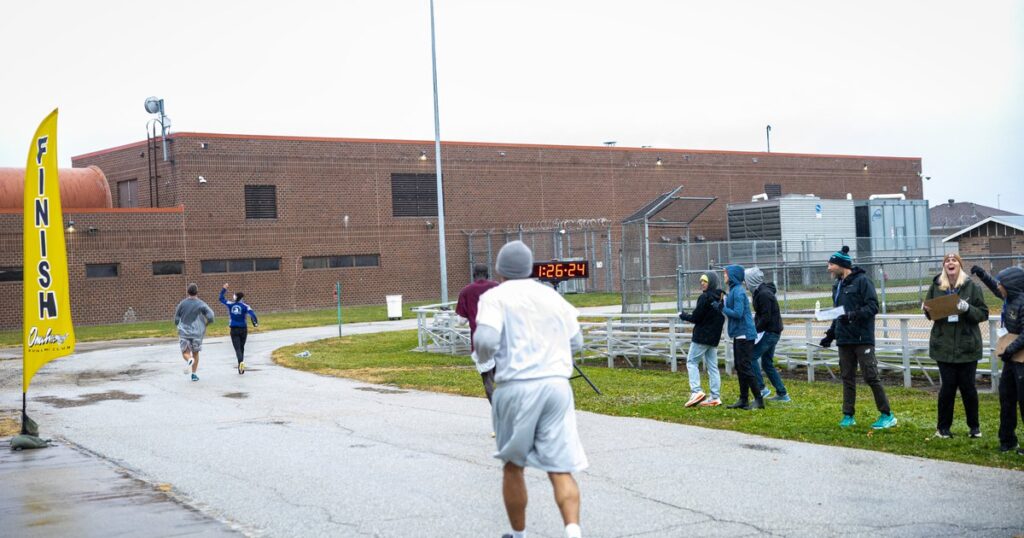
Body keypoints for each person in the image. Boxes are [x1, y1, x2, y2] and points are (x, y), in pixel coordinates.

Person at [474, 240, 587, 538]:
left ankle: (519, 535)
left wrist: (488, 361)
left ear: (500, 270)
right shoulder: (552, 297)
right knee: (560, 466)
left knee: (513, 465)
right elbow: (577, 342)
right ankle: (573, 532)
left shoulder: (495, 297)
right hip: (556, 386)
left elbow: (484, 341)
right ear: (530, 268)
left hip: (516, 386)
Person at [819, 246, 896, 429]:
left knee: (871, 376)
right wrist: (830, 335)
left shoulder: (862, 281)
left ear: (841, 265)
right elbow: (839, 313)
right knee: (847, 377)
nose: (828, 268)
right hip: (844, 339)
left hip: (862, 338)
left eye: (831, 264)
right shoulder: (838, 285)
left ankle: (887, 415)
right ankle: (848, 415)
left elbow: (872, 307)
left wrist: (852, 316)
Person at [922, 253, 988, 439]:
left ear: (960, 265)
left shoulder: (972, 287)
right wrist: (927, 311)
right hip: (943, 345)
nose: (950, 263)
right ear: (944, 266)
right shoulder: (936, 287)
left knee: (968, 388)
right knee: (947, 388)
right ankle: (943, 428)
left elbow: (983, 313)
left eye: (954, 261)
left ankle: (974, 428)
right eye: (947, 261)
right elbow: (930, 313)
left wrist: (967, 308)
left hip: (967, 346)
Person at [971, 264, 1024, 454]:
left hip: (1020, 358)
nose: (999, 286)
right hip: (1011, 359)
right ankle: (1007, 440)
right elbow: (995, 287)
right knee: (1006, 398)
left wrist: (1010, 349)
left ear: (1011, 285)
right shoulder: (1009, 297)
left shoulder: (1022, 302)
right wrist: (983, 275)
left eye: (1002, 283)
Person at [719, 264, 764, 410]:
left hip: (745, 334)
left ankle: (759, 399)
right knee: (740, 366)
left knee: (745, 366)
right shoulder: (733, 290)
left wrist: (722, 308)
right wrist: (722, 301)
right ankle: (743, 399)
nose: (724, 276)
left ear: (732, 276)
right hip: (739, 334)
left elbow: (738, 313)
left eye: (726, 274)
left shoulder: (738, 291)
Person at [679, 272, 725, 407]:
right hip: (714, 338)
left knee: (691, 362)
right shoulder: (721, 298)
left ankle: (696, 391)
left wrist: (683, 315)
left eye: (705, 281)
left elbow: (695, 317)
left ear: (711, 282)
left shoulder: (704, 298)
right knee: (713, 367)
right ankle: (715, 397)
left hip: (701, 337)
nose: (702, 283)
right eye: (701, 281)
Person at [745, 267, 790, 402]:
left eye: (746, 281)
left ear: (751, 281)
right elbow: (761, 316)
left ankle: (761, 388)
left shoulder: (763, 294)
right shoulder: (760, 293)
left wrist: (754, 331)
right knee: (766, 363)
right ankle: (782, 394)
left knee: (751, 357)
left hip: (770, 332)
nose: (745, 284)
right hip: (772, 331)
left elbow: (766, 317)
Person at [456, 263, 500, 402]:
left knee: (488, 380)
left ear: (474, 275)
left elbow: (461, 321)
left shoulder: (465, 291)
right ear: (487, 274)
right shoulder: (497, 287)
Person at [174, 283, 215, 382]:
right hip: (197, 333)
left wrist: (177, 325)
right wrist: (206, 323)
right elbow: (211, 316)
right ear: (197, 292)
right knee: (195, 353)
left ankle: (189, 360)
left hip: (184, 332)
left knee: (185, 352)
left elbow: (176, 318)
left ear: (188, 292)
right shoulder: (201, 304)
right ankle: (194, 374)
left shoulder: (182, 304)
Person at [220, 283, 259, 375]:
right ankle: (240, 365)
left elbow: (221, 299)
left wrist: (224, 289)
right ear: (242, 298)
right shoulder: (245, 306)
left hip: (234, 329)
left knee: (237, 348)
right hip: (243, 329)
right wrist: (255, 322)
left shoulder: (230, 304)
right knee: (241, 348)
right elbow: (252, 314)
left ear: (235, 297)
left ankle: (240, 363)